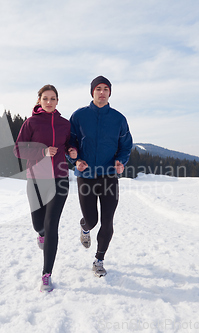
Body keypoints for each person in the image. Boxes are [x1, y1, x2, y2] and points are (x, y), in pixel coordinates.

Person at [14, 84, 77, 292]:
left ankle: (46, 274)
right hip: (36, 179)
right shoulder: (31, 122)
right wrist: (42, 152)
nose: (49, 102)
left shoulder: (64, 124)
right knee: (38, 224)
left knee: (51, 226)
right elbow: (18, 150)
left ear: (58, 101)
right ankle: (40, 233)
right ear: (39, 100)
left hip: (59, 178)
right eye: (45, 98)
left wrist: (72, 151)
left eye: (53, 98)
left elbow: (69, 145)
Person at [68, 75, 132, 277]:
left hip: (109, 176)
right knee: (91, 219)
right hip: (85, 175)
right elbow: (69, 143)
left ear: (110, 93)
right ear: (92, 92)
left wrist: (121, 161)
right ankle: (84, 227)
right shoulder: (79, 116)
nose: (102, 92)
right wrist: (75, 160)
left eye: (106, 89)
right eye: (98, 89)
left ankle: (99, 259)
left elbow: (126, 146)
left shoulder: (118, 119)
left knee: (107, 221)